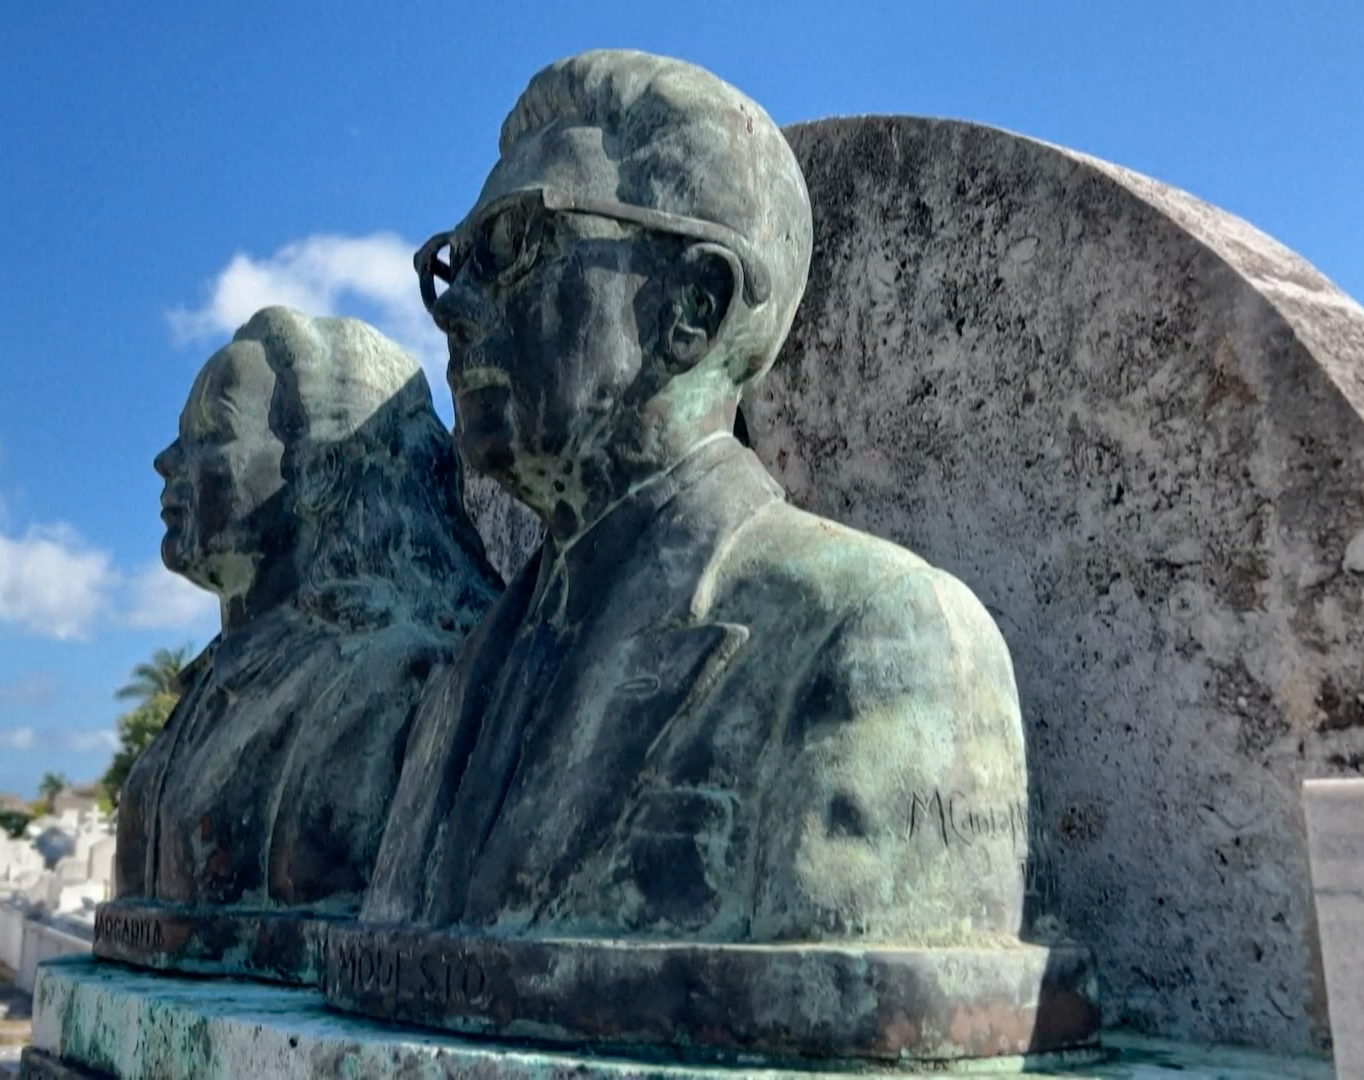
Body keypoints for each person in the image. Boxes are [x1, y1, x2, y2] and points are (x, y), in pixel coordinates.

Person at [362, 50, 1030, 946]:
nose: (457, 306)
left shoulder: (875, 635)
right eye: (456, 262)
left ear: (694, 307)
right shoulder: (455, 688)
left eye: (514, 244)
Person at [113, 306, 499, 913]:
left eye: (211, 432)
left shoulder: (387, 685)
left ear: (317, 469)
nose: (167, 460)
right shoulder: (208, 690)